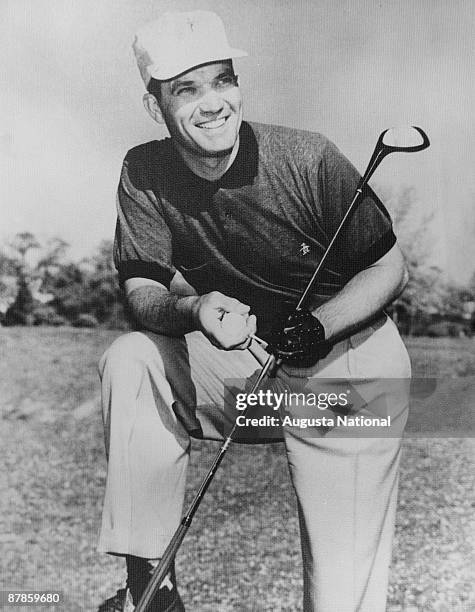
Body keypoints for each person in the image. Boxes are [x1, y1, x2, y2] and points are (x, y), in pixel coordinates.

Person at [98, 10, 411, 612]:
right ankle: (151, 588)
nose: (213, 103)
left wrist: (322, 323)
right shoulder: (144, 170)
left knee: (341, 598)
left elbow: (389, 268)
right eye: (187, 89)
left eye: (223, 80)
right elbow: (142, 289)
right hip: (252, 372)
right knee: (133, 358)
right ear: (154, 106)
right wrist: (192, 309)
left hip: (351, 366)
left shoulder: (309, 158)